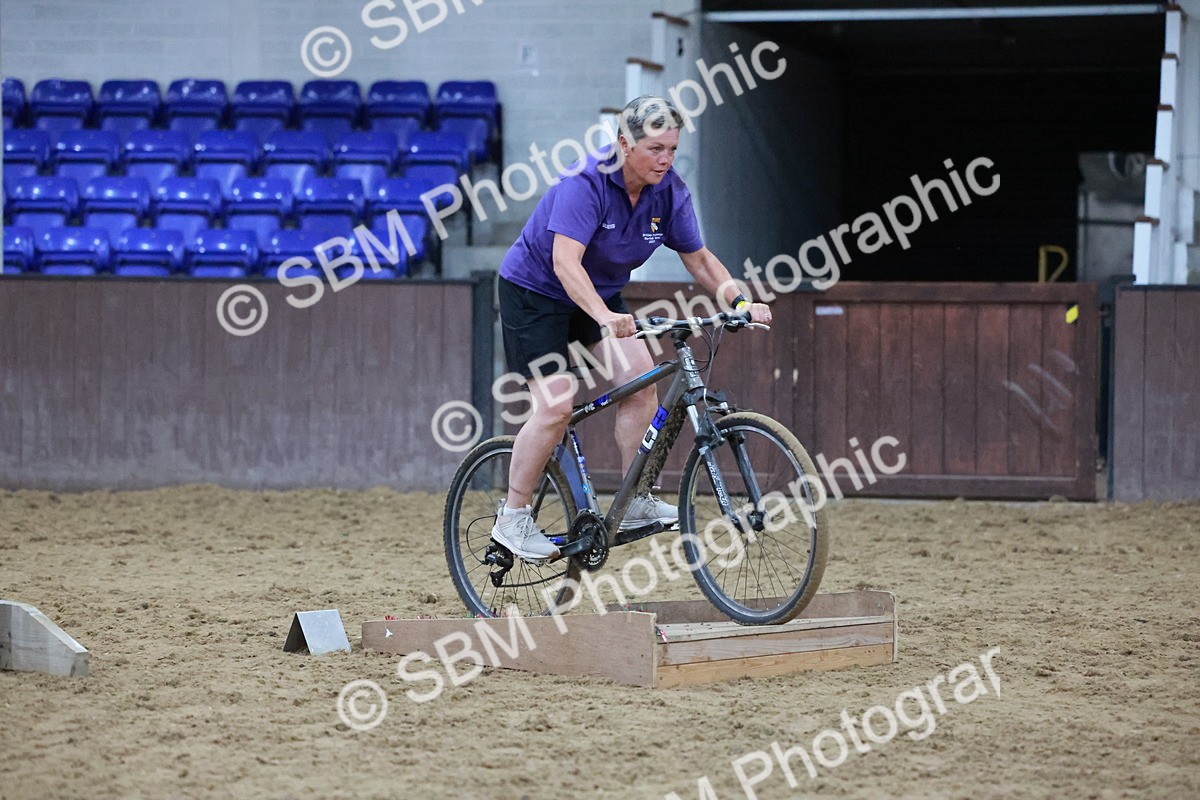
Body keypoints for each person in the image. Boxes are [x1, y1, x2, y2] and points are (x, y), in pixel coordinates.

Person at [492, 95, 772, 561]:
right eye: (655, 149)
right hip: (536, 292)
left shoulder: (670, 192)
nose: (665, 160)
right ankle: (513, 517)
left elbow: (699, 259)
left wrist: (739, 300)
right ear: (624, 144)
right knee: (556, 406)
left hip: (598, 295)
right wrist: (603, 318)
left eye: (672, 150)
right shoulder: (587, 184)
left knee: (642, 387)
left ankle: (635, 500)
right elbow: (565, 262)